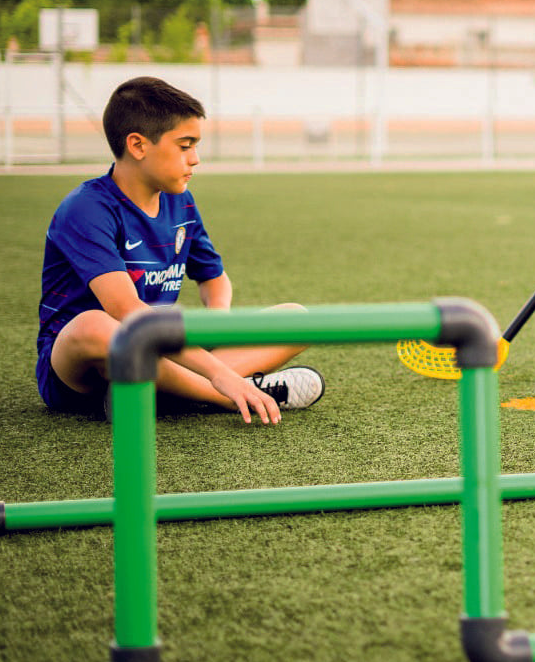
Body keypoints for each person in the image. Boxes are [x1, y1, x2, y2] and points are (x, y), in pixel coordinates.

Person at [38, 76, 324, 422]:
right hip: (80, 370)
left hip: (163, 353)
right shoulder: (86, 208)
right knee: (95, 326)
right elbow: (127, 311)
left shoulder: (180, 203)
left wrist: (218, 320)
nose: (196, 159)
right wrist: (221, 376)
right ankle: (228, 395)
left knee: (297, 319)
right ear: (138, 145)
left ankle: (160, 393)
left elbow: (214, 278)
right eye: (185, 145)